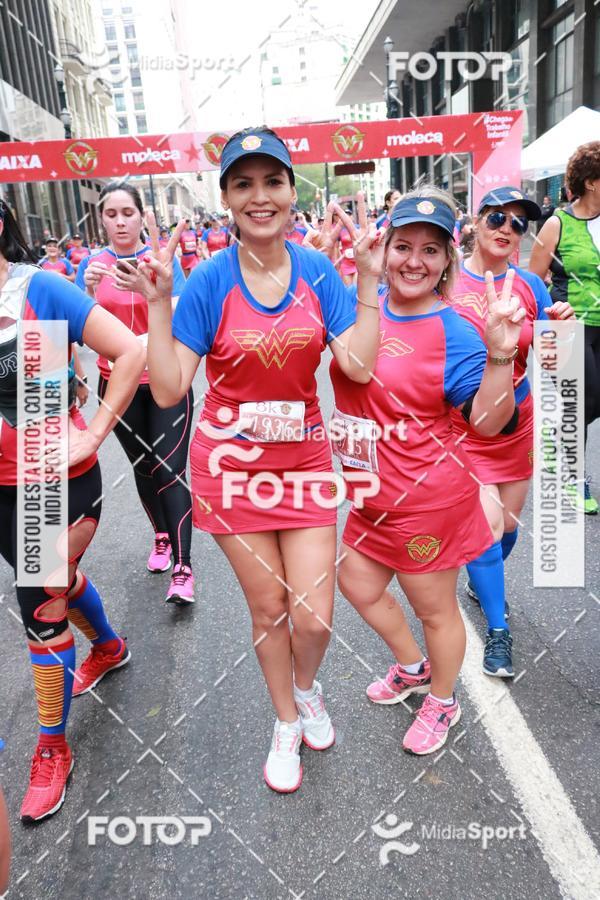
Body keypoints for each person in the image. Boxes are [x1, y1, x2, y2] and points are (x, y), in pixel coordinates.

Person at [138, 126, 381, 792]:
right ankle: (283, 722)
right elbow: (166, 388)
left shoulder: (316, 270)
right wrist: (160, 303)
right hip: (230, 469)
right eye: (242, 183)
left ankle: (308, 689)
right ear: (226, 198)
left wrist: (366, 282)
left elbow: (356, 365)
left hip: (302, 462)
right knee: (269, 607)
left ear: (289, 190)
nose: (260, 196)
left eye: (271, 181)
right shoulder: (210, 282)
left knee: (313, 614)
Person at [331, 186, 524, 754]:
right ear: (383, 247)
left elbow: (489, 424)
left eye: (431, 250)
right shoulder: (356, 302)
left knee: (433, 608)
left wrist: (500, 356)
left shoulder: (457, 331)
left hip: (426, 498)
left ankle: (444, 699)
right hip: (368, 491)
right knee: (357, 582)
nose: (414, 261)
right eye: (403, 245)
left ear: (447, 261)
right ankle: (412, 668)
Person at [0, 199, 145, 822]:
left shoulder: (37, 290)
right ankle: (109, 647)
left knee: (39, 600)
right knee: (53, 580)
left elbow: (132, 351)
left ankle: (53, 747)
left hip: (50, 483)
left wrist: (92, 435)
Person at [446, 188, 573, 676]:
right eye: (497, 217)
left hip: (517, 428)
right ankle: (499, 632)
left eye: (520, 223)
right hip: (462, 430)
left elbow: (553, 362)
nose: (508, 228)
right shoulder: (446, 281)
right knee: (487, 530)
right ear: (476, 222)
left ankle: (482, 580)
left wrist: (560, 327)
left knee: (508, 532)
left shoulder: (529, 286)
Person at [76, 182, 195, 604]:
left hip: (164, 382)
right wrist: (88, 292)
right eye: (112, 214)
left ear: (143, 216)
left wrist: (149, 298)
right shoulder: (91, 266)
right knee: (144, 469)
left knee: (170, 470)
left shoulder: (162, 260)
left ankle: (184, 568)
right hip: (118, 387)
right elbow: (83, 337)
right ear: (102, 219)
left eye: (128, 213)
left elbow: (180, 320)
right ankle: (161, 536)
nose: (120, 221)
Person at [530, 141, 600, 514]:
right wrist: (547, 327)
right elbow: (532, 281)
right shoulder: (558, 223)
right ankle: (573, 476)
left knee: (592, 401)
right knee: (583, 399)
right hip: (571, 326)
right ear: (591, 182)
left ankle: (556, 437)